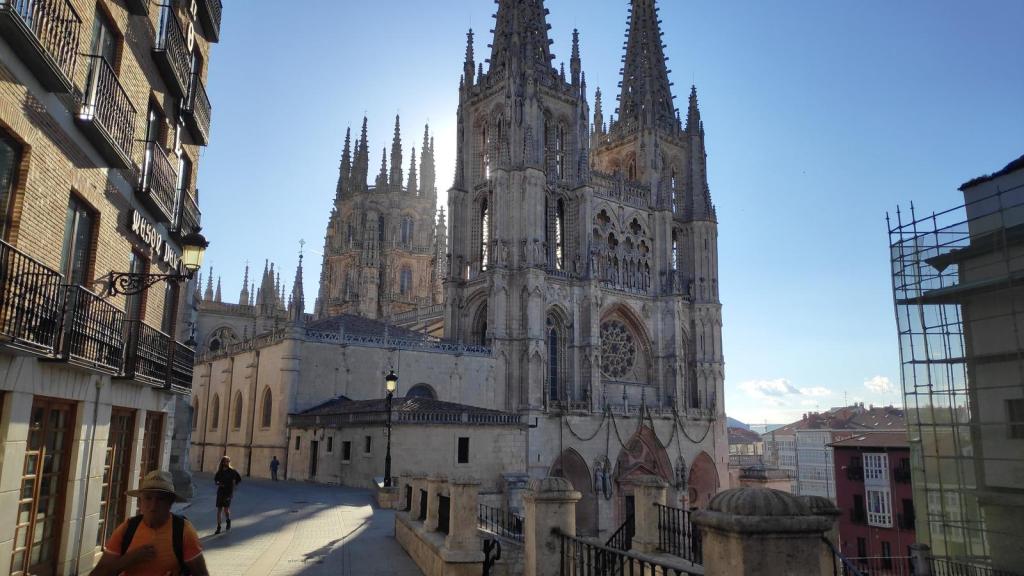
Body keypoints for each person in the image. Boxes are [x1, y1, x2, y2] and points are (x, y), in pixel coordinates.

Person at [91, 470, 209, 576]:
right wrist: (129, 559)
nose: (153, 505)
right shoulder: (127, 529)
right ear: (139, 502)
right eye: (148, 498)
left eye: (160, 499)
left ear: (170, 503)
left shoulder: (183, 531)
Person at [215, 455, 242, 534]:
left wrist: (232, 492)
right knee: (219, 509)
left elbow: (236, 481)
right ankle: (218, 527)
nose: (227, 462)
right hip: (220, 492)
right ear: (223, 462)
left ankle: (228, 520)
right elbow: (216, 480)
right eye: (226, 461)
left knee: (226, 510)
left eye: (228, 461)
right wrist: (218, 483)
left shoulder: (232, 471)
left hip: (228, 492)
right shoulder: (219, 471)